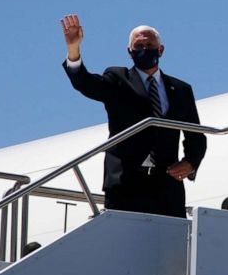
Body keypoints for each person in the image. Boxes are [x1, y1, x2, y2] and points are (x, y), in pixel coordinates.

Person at [60, 14, 206, 218]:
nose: (144, 49)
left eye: (149, 44)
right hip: (126, 185)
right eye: (138, 46)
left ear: (161, 50)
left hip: (167, 186)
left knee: (170, 246)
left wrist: (190, 162)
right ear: (130, 52)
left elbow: (196, 136)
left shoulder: (181, 90)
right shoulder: (118, 79)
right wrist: (73, 49)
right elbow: (85, 83)